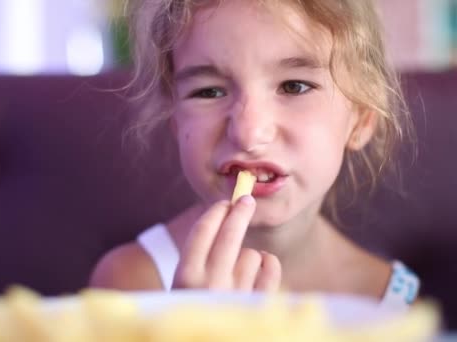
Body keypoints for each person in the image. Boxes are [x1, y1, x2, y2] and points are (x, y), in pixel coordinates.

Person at [90, 0, 419, 307]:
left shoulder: (390, 300)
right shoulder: (130, 286)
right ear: (175, 121)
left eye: (294, 86)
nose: (248, 134)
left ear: (361, 118)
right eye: (209, 91)